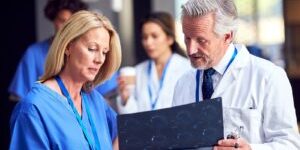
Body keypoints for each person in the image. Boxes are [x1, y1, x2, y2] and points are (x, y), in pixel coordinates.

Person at [172, 0, 300, 149]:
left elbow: (290, 145)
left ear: (227, 36)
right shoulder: (183, 83)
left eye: (201, 40)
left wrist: (251, 149)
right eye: (187, 38)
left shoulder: (269, 76)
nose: (191, 50)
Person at [10, 10, 121, 150]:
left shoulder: (95, 101)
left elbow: (123, 134)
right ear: (68, 46)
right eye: (92, 49)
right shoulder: (34, 108)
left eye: (104, 52)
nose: (99, 59)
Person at [8, 0, 88, 101]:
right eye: (62, 21)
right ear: (54, 20)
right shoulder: (34, 54)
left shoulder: (89, 54)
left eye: (71, 23)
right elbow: (21, 100)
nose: (67, 28)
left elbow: (105, 98)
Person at [116, 12, 191, 114]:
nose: (148, 43)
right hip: (144, 129)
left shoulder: (187, 69)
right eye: (144, 37)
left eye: (154, 36)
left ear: (169, 39)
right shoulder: (138, 71)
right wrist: (126, 97)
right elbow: (132, 117)